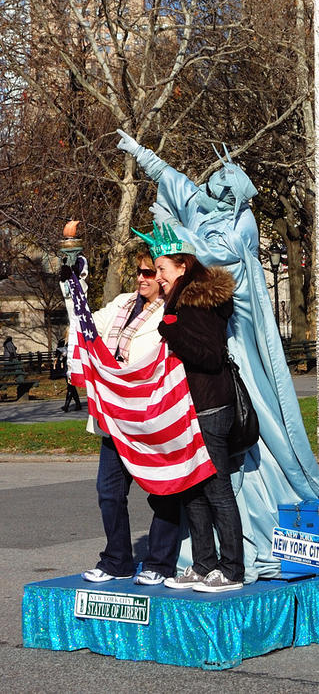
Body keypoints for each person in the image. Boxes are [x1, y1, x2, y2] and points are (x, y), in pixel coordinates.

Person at [116, 130, 319, 582]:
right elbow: (176, 184)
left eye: (222, 189)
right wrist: (141, 153)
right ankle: (204, 558)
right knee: (199, 481)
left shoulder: (240, 226)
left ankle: (237, 554)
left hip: (236, 339)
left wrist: (177, 241)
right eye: (213, 186)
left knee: (251, 421)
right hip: (201, 365)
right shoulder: (206, 213)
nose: (211, 193)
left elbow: (211, 253)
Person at [145, 239, 244, 593]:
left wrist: (172, 332)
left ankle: (232, 569)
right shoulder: (180, 302)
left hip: (209, 407)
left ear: (183, 267)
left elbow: (209, 357)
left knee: (217, 491)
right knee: (193, 491)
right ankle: (203, 565)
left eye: (162, 270)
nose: (158, 277)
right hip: (187, 410)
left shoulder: (195, 304)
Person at [81, 249, 181, 587]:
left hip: (151, 417)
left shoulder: (173, 308)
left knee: (163, 492)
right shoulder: (122, 302)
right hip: (115, 416)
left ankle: (161, 562)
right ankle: (117, 560)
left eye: (150, 272)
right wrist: (74, 287)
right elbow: (85, 325)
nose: (142, 278)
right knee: (108, 492)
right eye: (139, 272)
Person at [55, 338, 82, 412]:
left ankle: (67, 406)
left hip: (71, 368)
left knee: (70, 386)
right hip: (67, 368)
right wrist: (62, 356)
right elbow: (60, 356)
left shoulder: (73, 344)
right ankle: (77, 404)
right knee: (71, 387)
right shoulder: (64, 343)